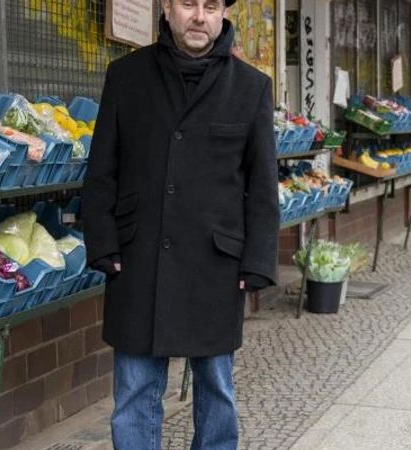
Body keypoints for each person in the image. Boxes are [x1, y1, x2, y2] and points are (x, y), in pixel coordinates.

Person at [82, 0, 279, 448]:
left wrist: (257, 262)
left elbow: (263, 186)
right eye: (188, 3)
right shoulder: (126, 77)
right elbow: (102, 170)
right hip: (138, 259)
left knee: (217, 388)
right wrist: (103, 243)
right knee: (134, 390)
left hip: (216, 264)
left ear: (222, 13)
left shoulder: (251, 87)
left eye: (210, 6)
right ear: (167, 7)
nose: (199, 16)